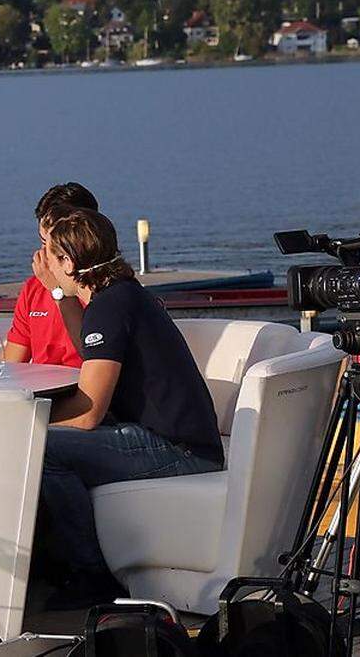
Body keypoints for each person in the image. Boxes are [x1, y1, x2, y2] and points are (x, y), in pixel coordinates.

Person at [40, 209, 224, 608]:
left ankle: (92, 575)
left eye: (50, 256)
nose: (45, 264)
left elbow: (88, 413)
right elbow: (89, 349)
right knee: (47, 442)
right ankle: (60, 566)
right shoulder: (121, 295)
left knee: (44, 449)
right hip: (182, 440)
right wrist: (57, 292)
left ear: (68, 262)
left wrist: (26, 423)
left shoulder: (110, 306)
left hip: (178, 450)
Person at [4, 183, 99, 369]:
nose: (46, 252)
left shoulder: (104, 290)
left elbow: (94, 355)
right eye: (43, 242)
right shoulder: (33, 289)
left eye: (54, 243)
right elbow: (11, 363)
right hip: (41, 393)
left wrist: (58, 290)